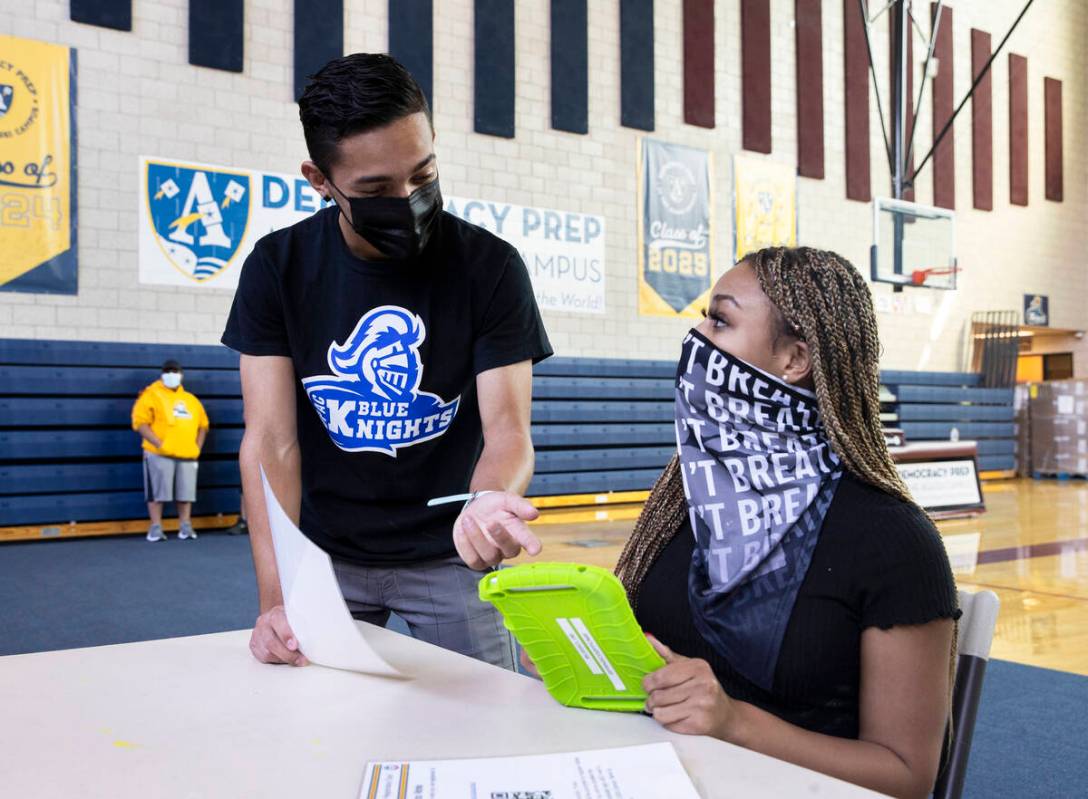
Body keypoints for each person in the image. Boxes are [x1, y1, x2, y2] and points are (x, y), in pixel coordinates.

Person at [221, 53, 552, 670]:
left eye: (422, 175)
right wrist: (278, 597)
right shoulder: (277, 266)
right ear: (319, 180)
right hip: (325, 559)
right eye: (376, 189)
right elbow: (270, 443)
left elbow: (509, 431)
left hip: (451, 556)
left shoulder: (491, 267)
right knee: (318, 730)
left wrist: (488, 504)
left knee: (490, 724)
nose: (407, 199)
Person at [611, 248, 959, 798]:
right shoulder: (683, 499)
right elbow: (654, 667)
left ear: (795, 360)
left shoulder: (893, 539)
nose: (696, 338)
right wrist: (581, 655)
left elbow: (907, 777)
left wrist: (735, 724)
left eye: (720, 320)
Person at [131, 359, 210, 542]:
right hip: (159, 454)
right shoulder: (150, 395)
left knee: (185, 493)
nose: (172, 374)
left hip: (187, 454)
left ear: (181, 374)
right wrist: (159, 444)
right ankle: (156, 528)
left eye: (175, 371)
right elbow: (140, 423)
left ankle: (185, 526)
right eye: (168, 371)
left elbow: (203, 425)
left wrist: (197, 447)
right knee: (157, 493)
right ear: (162, 374)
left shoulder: (190, 400)